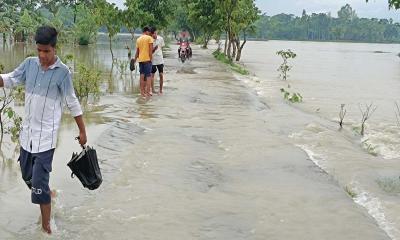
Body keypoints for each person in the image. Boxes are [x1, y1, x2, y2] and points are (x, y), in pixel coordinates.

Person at [0, 26, 87, 234]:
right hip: (26, 137)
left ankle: (46, 229)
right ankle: (50, 195)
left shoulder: (63, 73)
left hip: (46, 140)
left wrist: (82, 131)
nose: (42, 55)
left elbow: (72, 102)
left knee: (38, 183)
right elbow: (10, 78)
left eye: (46, 51)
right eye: (39, 50)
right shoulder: (29, 64)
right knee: (27, 177)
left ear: (55, 48)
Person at [134, 26, 154, 97]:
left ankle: (142, 93)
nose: (149, 33)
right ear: (147, 31)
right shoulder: (149, 38)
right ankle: (148, 93)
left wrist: (134, 60)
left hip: (140, 60)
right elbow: (150, 51)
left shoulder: (138, 39)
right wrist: (151, 59)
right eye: (149, 32)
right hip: (147, 60)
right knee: (148, 76)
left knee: (142, 76)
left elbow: (137, 52)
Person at [150, 27, 165, 95]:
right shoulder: (150, 40)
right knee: (152, 75)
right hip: (152, 59)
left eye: (156, 33)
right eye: (153, 34)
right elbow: (149, 51)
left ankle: (161, 90)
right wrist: (154, 49)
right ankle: (152, 90)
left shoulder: (160, 39)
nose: (155, 35)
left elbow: (161, 47)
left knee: (161, 74)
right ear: (151, 34)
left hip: (160, 59)